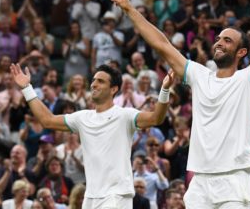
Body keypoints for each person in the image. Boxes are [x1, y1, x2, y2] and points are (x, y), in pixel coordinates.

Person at [110, 0, 250, 208]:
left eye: (227, 40)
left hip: (235, 180)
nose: (219, 42)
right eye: (218, 38)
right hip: (200, 182)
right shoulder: (199, 75)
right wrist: (130, 10)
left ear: (241, 52)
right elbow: (162, 45)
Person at [10, 63, 174, 209]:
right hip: (91, 197)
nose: (94, 84)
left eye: (101, 81)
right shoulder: (83, 117)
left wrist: (165, 89)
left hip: (117, 196)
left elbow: (155, 118)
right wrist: (27, 88)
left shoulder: (125, 115)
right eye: (94, 80)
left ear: (114, 89)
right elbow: (47, 120)